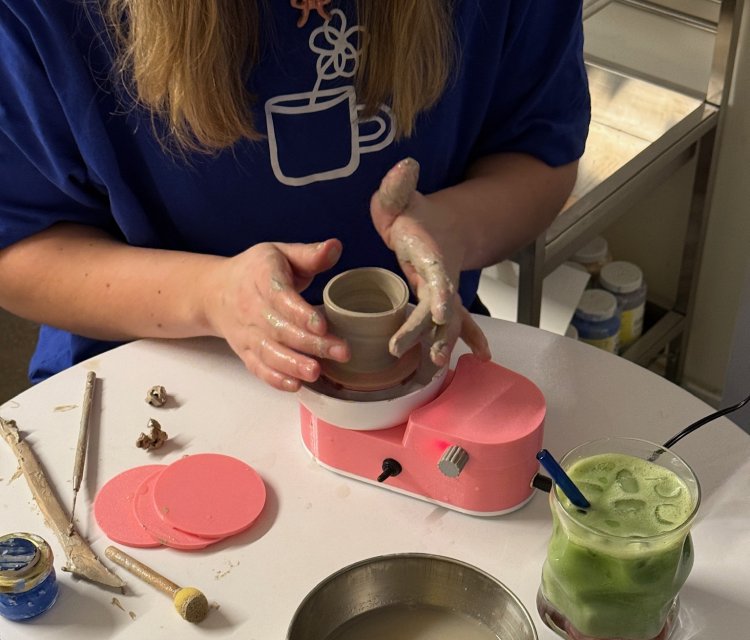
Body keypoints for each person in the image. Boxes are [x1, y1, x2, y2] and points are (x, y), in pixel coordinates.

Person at [0, 0, 590, 391]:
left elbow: (539, 151)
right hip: (153, 366)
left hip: (419, 354)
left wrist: (455, 228)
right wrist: (211, 295)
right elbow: (20, 247)